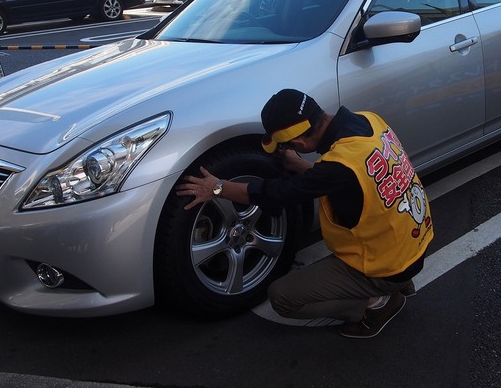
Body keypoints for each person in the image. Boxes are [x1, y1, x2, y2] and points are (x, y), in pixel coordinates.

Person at [176, 89, 433, 338]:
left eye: (286, 145)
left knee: (282, 298)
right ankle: (397, 282)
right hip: (413, 243)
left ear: (299, 143)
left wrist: (218, 188)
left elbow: (277, 193)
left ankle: (379, 302)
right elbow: (344, 178)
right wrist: (300, 165)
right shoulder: (369, 120)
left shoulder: (338, 167)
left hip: (385, 266)